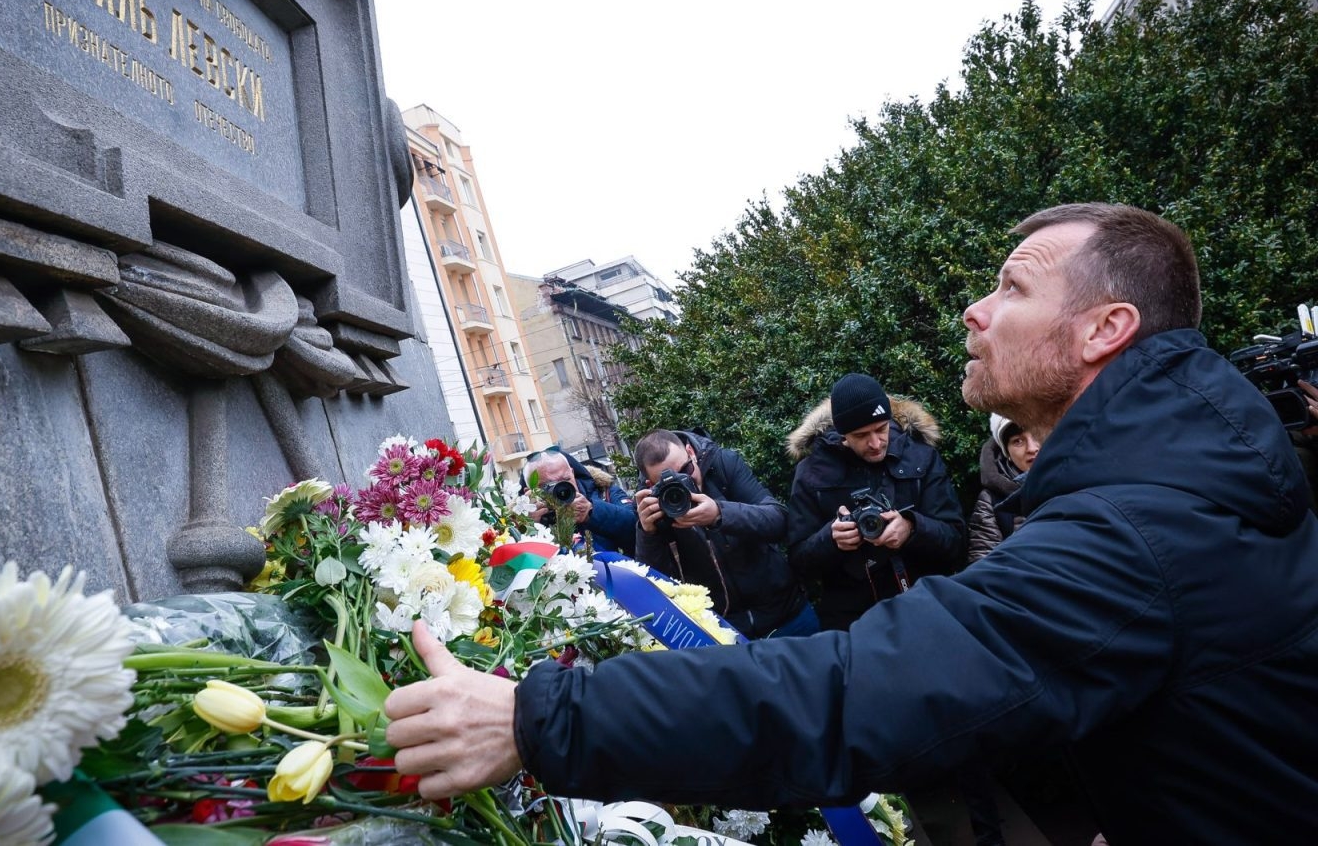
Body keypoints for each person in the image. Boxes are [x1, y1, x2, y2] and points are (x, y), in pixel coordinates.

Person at [382, 203, 1318, 844]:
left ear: (1104, 328)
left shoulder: (1139, 527)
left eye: (1013, 288)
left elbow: (851, 691)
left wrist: (542, 716)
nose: (975, 310)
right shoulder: (1178, 473)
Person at [785, 374, 965, 629]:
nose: (876, 443)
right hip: (851, 622)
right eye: (861, 435)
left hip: (924, 606)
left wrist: (912, 528)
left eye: (881, 429)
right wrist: (831, 540)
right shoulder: (811, 473)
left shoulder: (921, 458)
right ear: (843, 433)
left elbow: (957, 542)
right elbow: (799, 563)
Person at [631, 428, 816, 639]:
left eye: (686, 469)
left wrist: (720, 514)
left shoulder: (722, 465)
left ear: (691, 452)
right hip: (725, 632)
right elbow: (656, 586)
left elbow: (778, 520)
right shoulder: (651, 504)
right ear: (651, 485)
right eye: (671, 481)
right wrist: (648, 534)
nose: (684, 481)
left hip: (787, 613)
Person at [522, 447, 635, 555]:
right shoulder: (524, 517)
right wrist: (529, 527)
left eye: (565, 480)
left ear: (572, 473)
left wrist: (592, 511)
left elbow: (635, 527)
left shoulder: (605, 492)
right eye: (547, 486)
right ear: (529, 492)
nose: (560, 489)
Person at [966, 414, 1039, 564]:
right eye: (1018, 441)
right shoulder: (991, 500)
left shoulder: (1078, 482)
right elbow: (983, 564)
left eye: (1037, 434)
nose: (1032, 448)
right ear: (1007, 453)